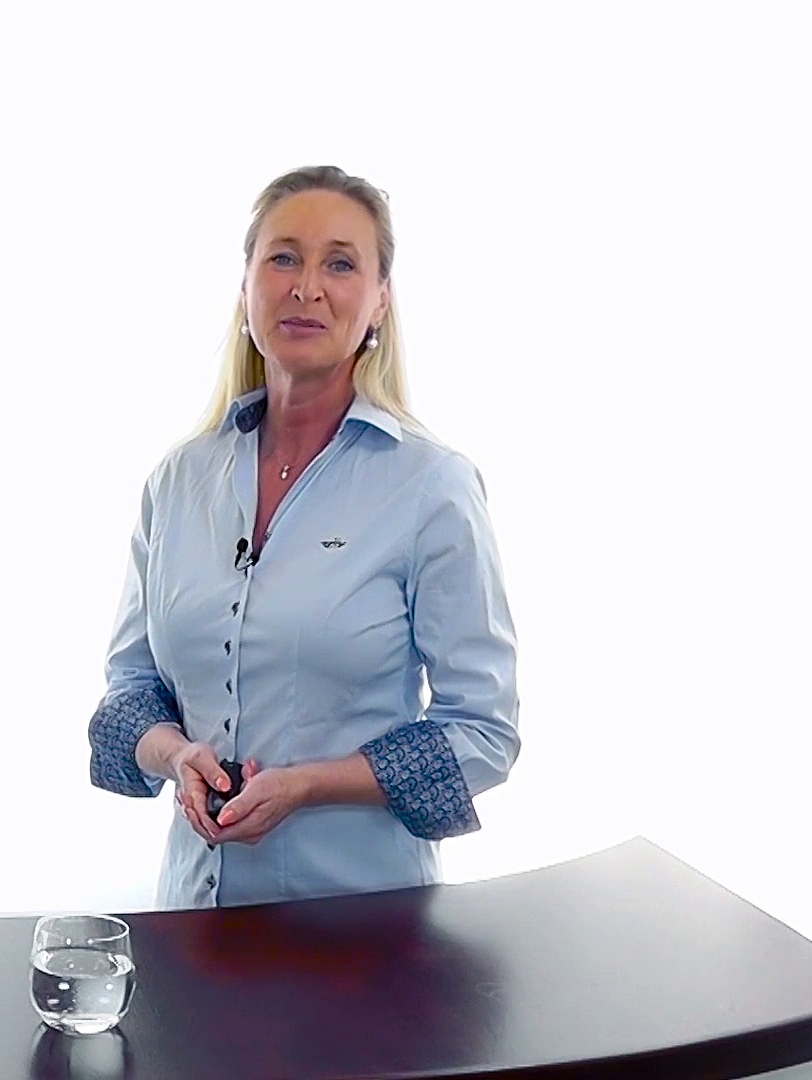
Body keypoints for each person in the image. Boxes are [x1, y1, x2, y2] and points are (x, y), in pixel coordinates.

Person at [86, 165, 520, 909]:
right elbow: (130, 690)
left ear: (380, 300)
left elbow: (483, 730)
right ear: (246, 286)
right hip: (192, 923)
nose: (307, 287)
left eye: (341, 264)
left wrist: (309, 786)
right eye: (283, 258)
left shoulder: (431, 487)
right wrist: (177, 755)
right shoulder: (178, 481)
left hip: (364, 928)